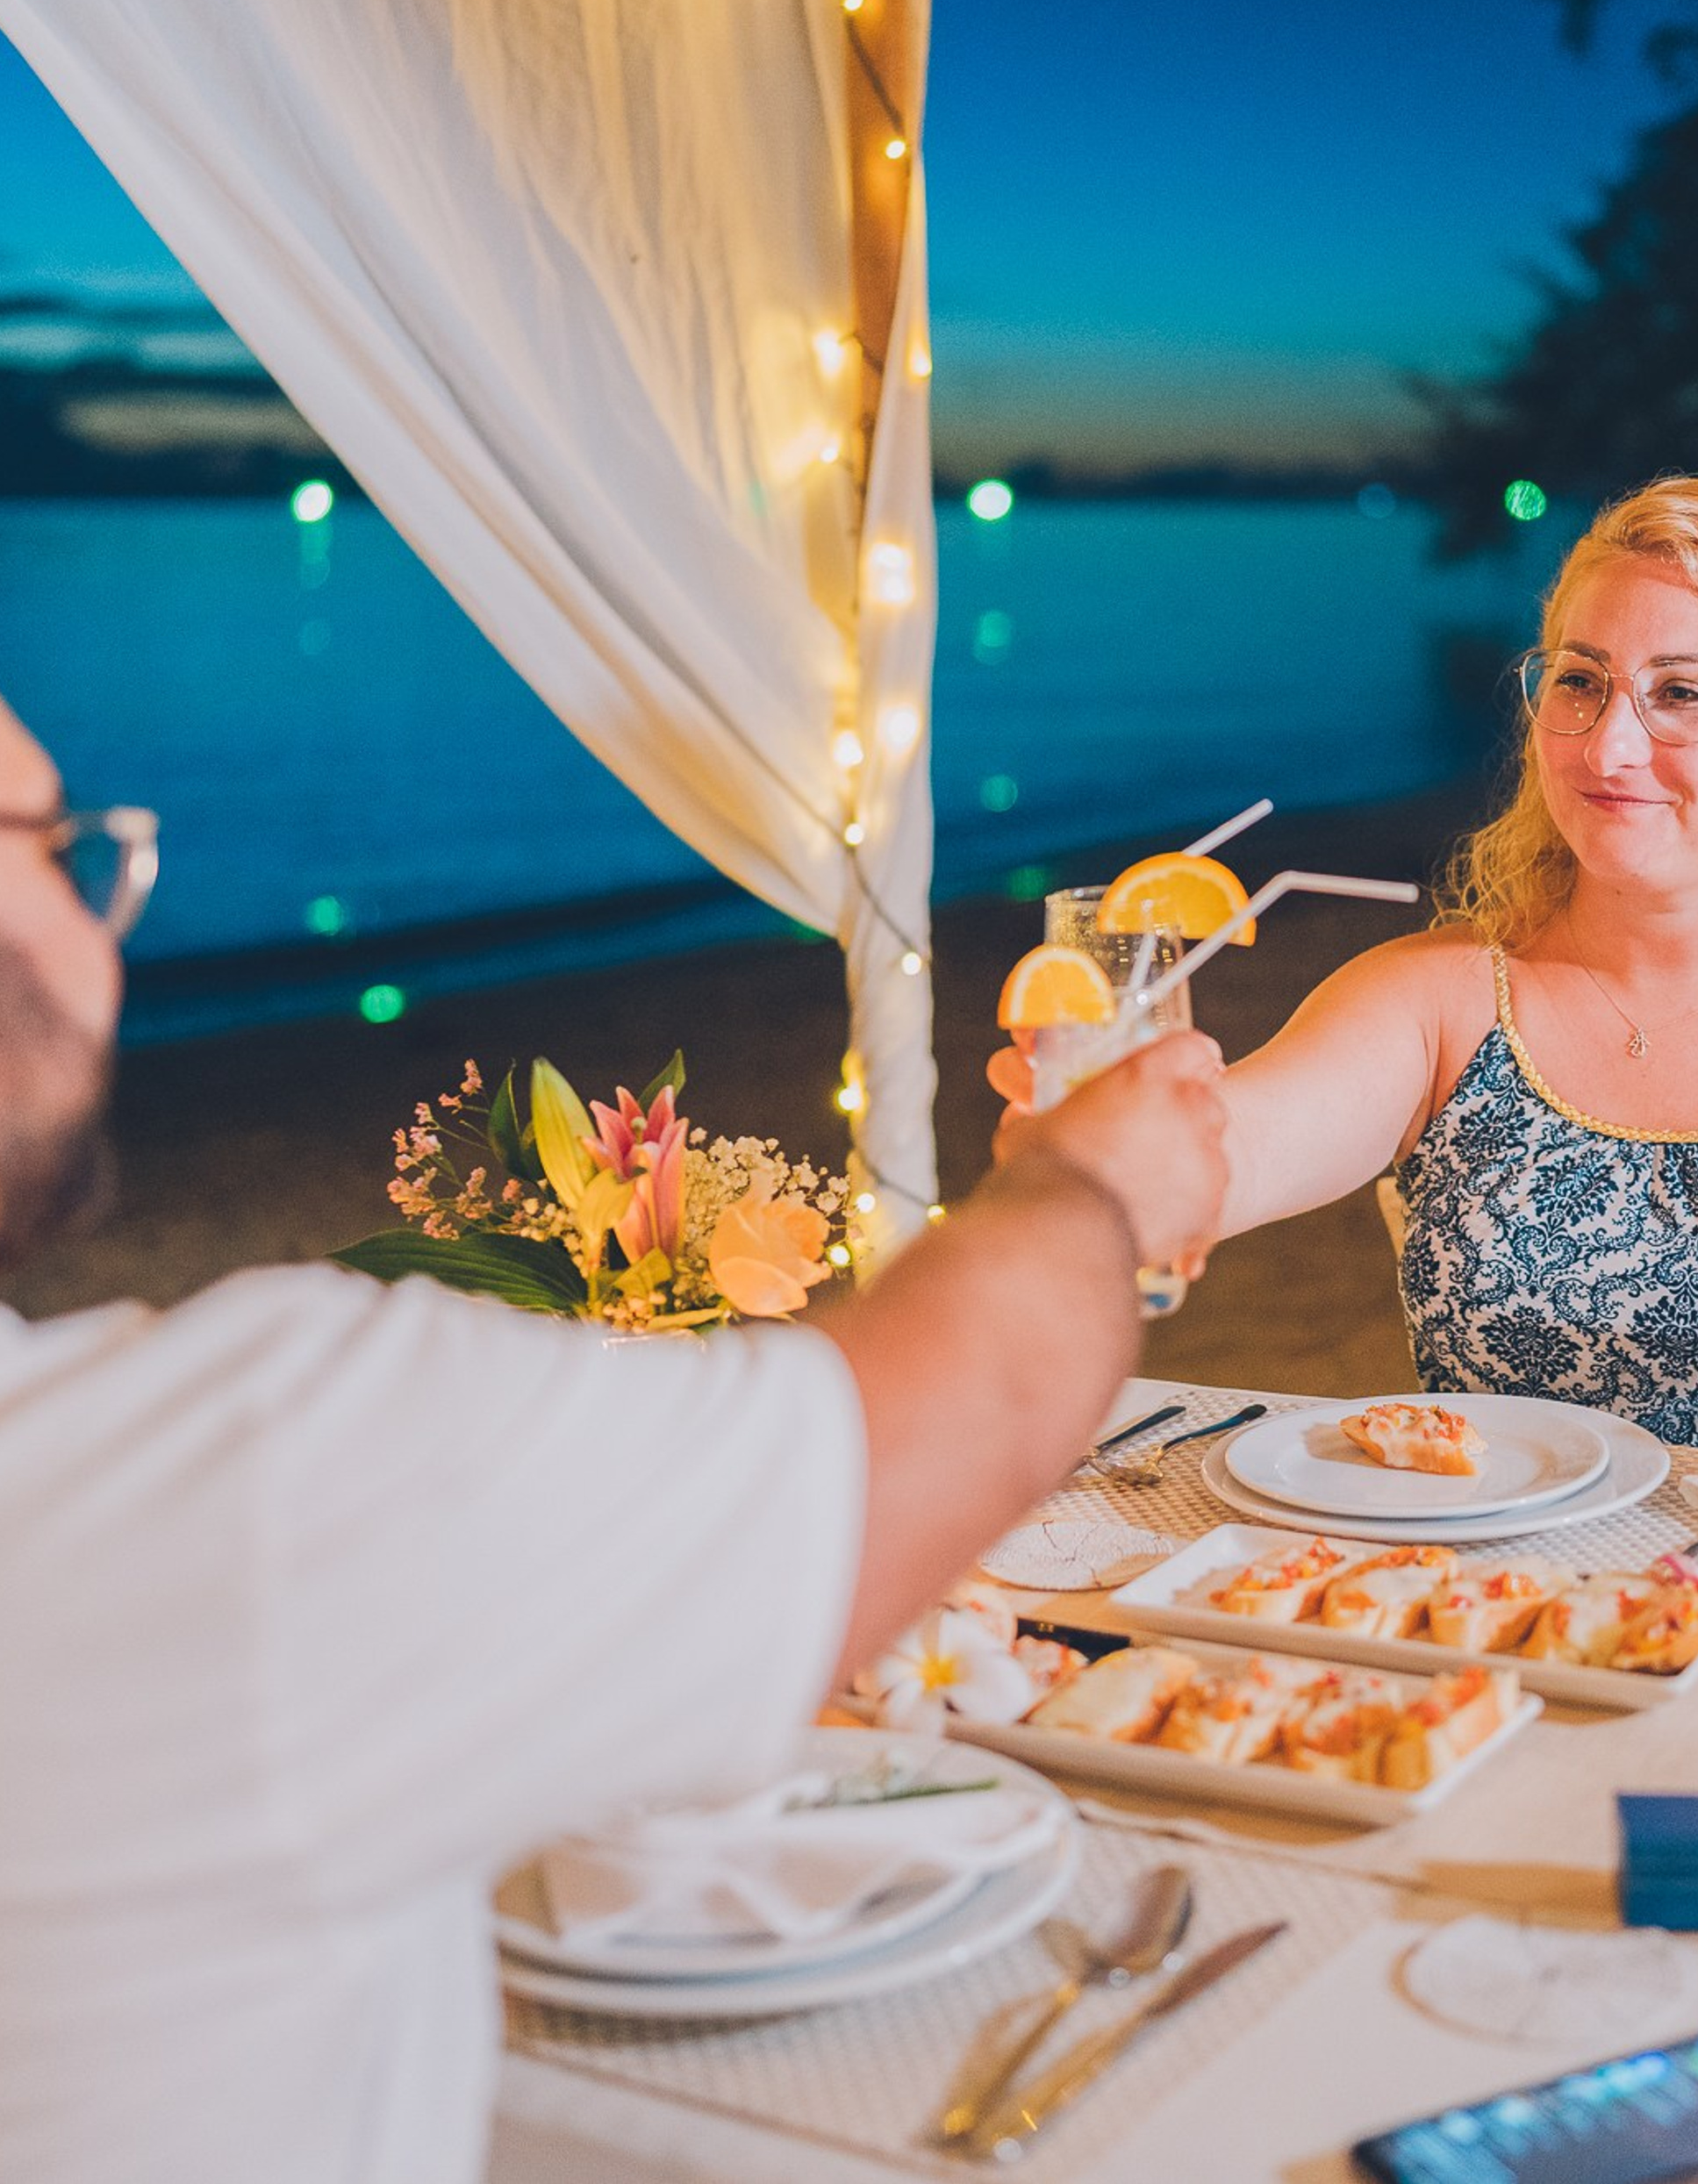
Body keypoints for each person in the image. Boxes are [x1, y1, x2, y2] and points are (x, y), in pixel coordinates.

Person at [0, 691, 1228, 2183]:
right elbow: (924, 1429)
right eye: (58, 852)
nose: (100, 919)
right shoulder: (235, 1471)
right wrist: (1095, 1186)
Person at [999, 475, 1698, 1468]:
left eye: (1683, 692)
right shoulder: (1433, 1004)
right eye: (1580, 681)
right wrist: (1109, 1157)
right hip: (1480, 1612)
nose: (1607, 745)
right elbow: (1220, 1159)